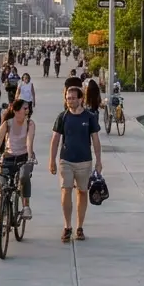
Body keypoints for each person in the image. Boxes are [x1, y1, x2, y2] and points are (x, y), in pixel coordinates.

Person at [50, 84, 102, 243]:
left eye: (72, 98)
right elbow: (55, 140)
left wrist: (99, 161)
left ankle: (79, 227)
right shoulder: (62, 117)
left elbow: (95, 140)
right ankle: (67, 226)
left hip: (84, 162)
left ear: (80, 99)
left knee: (82, 192)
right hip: (66, 160)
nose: (69, 101)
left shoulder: (89, 117)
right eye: (67, 98)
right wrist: (52, 160)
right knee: (66, 191)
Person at [0, 98, 36, 232]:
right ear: (16, 110)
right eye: (25, 108)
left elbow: (29, 142)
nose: (27, 110)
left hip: (24, 157)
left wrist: (29, 157)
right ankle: (1, 220)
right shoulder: (7, 124)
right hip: (8, 158)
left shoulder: (30, 124)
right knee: (2, 189)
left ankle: (25, 207)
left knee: (23, 177)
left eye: (28, 108)